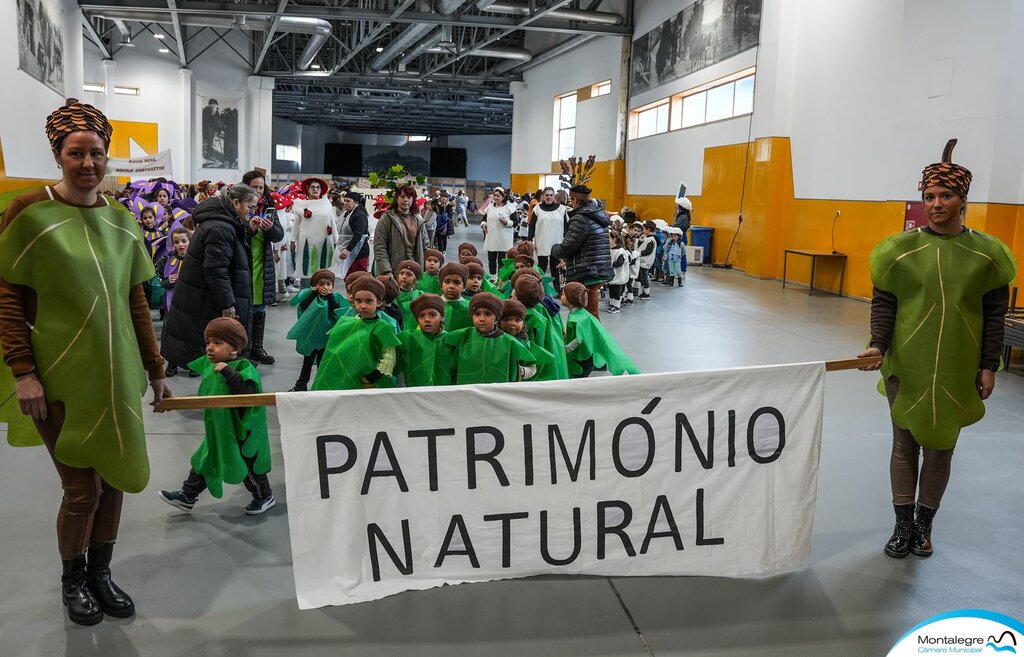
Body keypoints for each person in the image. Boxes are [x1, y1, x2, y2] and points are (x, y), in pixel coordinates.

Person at [0, 98, 171, 625]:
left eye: (97, 153)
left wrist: (157, 369)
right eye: (76, 153)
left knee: (114, 477)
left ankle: (101, 573)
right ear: (58, 153)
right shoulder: (27, 210)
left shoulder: (121, 220)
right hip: (55, 374)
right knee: (81, 489)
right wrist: (23, 372)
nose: (88, 163)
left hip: (117, 373)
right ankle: (73, 579)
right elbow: (6, 296)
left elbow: (136, 301)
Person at [857, 139, 1016, 560]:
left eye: (945, 195)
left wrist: (989, 365)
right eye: (929, 196)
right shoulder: (899, 251)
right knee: (903, 444)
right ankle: (902, 525)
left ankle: (925, 526)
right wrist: (877, 344)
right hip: (906, 364)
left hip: (957, 367)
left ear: (963, 200)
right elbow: (884, 303)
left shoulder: (988, 255)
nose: (936, 203)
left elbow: (994, 314)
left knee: (942, 447)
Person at [159, 318, 274, 515]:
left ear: (235, 349)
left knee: (248, 465)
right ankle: (188, 495)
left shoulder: (243, 368)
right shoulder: (212, 365)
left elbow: (247, 395)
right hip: (219, 426)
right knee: (206, 458)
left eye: (217, 343)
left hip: (241, 430)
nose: (210, 348)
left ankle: (264, 495)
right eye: (208, 343)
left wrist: (229, 373)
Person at [162, 184, 259, 370]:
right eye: (250, 207)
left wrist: (247, 230)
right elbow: (216, 270)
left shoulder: (221, 222)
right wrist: (227, 303)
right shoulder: (220, 228)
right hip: (208, 300)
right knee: (213, 356)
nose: (252, 212)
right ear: (236, 202)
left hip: (204, 297)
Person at [312, 276, 401, 390]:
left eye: (369, 301)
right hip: (344, 381)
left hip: (369, 383)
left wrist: (372, 377)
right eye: (358, 301)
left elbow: (389, 356)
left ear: (378, 302)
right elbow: (332, 353)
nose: (363, 306)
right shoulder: (344, 323)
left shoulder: (383, 327)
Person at [549, 184, 613, 319]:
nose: (570, 204)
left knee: (589, 317)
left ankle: (593, 340)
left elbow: (569, 246)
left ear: (575, 200)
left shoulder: (580, 218)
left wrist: (554, 248)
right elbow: (586, 244)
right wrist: (567, 259)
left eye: (571, 200)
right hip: (597, 268)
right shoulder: (596, 214)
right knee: (589, 315)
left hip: (587, 271)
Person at [242, 170, 285, 365]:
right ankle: (243, 349)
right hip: (243, 264)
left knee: (259, 307)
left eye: (261, 187)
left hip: (262, 264)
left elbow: (278, 235)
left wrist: (269, 228)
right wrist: (249, 229)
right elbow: (232, 234)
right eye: (254, 187)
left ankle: (257, 348)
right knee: (244, 307)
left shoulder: (269, 207)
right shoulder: (239, 206)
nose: (258, 191)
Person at [444, 292, 536, 384]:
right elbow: (453, 367)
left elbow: (515, 375)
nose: (481, 318)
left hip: (497, 395)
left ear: (497, 317)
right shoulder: (463, 336)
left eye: (488, 314)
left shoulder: (510, 342)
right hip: (468, 393)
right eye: (477, 314)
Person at [561, 282, 640, 378]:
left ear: (571, 299)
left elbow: (579, 338)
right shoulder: (581, 314)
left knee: (578, 376)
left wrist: (566, 349)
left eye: (563, 294)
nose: (561, 296)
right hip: (586, 354)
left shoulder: (577, 319)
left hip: (583, 358)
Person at [287, 269, 347, 392]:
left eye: (328, 284)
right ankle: (301, 385)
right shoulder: (310, 296)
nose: (325, 287)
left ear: (333, 286)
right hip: (311, 337)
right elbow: (303, 307)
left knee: (323, 362)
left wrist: (330, 297)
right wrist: (313, 294)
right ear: (314, 286)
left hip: (326, 337)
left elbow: (336, 311)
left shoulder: (334, 298)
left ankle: (322, 385)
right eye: (321, 284)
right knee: (307, 362)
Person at [397, 294, 455, 387]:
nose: (427, 319)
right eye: (421, 316)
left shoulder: (450, 340)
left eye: (432, 315)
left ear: (442, 316)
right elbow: (399, 371)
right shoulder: (408, 338)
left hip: (444, 394)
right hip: (413, 394)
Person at [374, 186, 430, 279]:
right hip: (393, 269)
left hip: (414, 268)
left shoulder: (418, 220)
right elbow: (380, 247)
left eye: (409, 197)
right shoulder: (386, 218)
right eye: (402, 197)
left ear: (413, 200)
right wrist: (386, 271)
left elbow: (426, 246)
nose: (405, 200)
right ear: (397, 198)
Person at [290, 177, 336, 286]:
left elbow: (332, 222)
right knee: (306, 270)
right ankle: (305, 299)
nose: (315, 189)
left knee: (323, 272)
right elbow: (296, 224)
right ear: (307, 188)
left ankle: (322, 297)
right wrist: (292, 240)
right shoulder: (300, 204)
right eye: (313, 187)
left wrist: (336, 239)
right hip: (306, 243)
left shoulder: (326, 204)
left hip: (324, 242)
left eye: (318, 187)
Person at [528, 187, 567, 287]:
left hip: (557, 241)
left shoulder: (562, 209)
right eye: (547, 195)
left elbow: (566, 226)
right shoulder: (537, 208)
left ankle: (557, 289)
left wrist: (567, 241)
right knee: (542, 267)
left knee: (555, 267)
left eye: (551, 195)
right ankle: (540, 288)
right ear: (543, 196)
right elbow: (532, 225)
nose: (549, 197)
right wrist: (529, 239)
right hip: (542, 241)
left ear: (554, 196)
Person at [481, 187, 516, 277]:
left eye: (498, 196)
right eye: (494, 195)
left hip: (504, 239)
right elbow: (484, 219)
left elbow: (515, 222)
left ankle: (500, 279)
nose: (495, 197)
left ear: (504, 197)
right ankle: (493, 278)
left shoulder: (510, 207)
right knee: (491, 260)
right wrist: (483, 224)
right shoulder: (490, 207)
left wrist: (506, 222)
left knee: (501, 261)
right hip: (491, 238)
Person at [338, 191, 370, 274]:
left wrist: (348, 249)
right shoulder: (346, 213)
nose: (345, 203)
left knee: (359, 278)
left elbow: (358, 234)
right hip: (349, 252)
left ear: (356, 202)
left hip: (359, 253)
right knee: (348, 278)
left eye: (348, 201)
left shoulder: (360, 215)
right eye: (344, 200)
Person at [439, 261, 473, 333]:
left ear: (464, 286)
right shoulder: (434, 305)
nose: (451, 286)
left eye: (457, 283)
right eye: (447, 282)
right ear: (441, 285)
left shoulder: (469, 308)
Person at [606, 232, 630, 314]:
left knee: (616, 291)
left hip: (619, 276)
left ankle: (616, 306)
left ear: (614, 240)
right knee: (611, 290)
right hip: (613, 275)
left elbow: (620, 262)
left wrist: (611, 265)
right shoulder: (612, 250)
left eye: (609, 238)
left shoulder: (621, 251)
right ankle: (612, 304)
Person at [636, 221, 657, 300]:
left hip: (646, 261)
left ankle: (647, 293)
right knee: (642, 277)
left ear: (648, 229)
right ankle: (644, 292)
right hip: (642, 261)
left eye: (644, 229)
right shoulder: (646, 237)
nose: (643, 231)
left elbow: (648, 251)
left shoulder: (651, 239)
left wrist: (639, 253)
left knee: (644, 277)